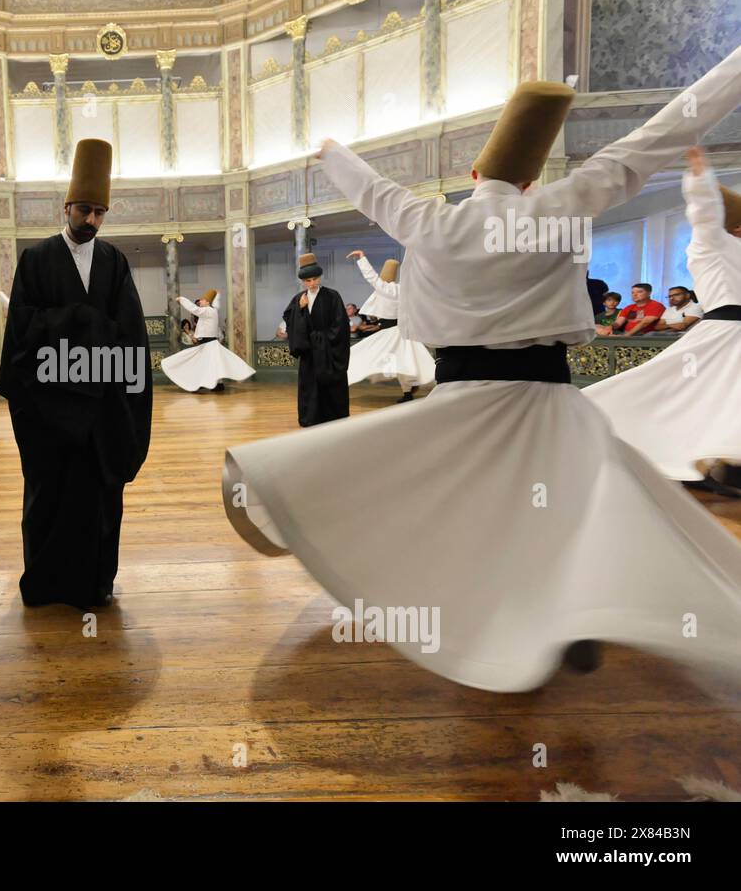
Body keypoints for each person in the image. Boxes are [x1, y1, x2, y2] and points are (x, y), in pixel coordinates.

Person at [222, 46, 741, 693]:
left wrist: (329, 150)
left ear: (473, 172)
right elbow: (652, 139)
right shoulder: (560, 206)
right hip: (550, 403)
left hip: (463, 401)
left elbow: (371, 190)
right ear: (529, 183)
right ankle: (569, 610)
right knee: (580, 508)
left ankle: (492, 615)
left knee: (464, 511)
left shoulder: (430, 220)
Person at [0, 138, 152, 609]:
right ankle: (46, 585)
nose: (92, 220)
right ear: (66, 206)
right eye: (84, 209)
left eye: (100, 212)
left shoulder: (114, 261)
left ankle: (95, 584)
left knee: (99, 500)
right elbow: (23, 330)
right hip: (49, 412)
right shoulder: (36, 259)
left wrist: (86, 333)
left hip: (101, 413)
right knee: (50, 496)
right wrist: (83, 323)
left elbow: (130, 333)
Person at [584, 146, 741, 488]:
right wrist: (700, 177)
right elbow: (704, 214)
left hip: (731, 335)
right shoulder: (711, 244)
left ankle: (722, 465)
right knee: (688, 396)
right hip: (722, 333)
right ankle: (697, 459)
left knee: (721, 401)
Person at [344, 251, 435, 403]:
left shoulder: (384, 288)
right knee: (409, 361)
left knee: (361, 354)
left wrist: (361, 258)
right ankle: (409, 391)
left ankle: (341, 379)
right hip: (403, 332)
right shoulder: (403, 289)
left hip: (391, 332)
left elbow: (370, 276)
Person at [281, 252, 350, 426]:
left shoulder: (332, 296)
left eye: (314, 279)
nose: (312, 283)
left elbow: (340, 324)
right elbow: (289, 318)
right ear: (303, 282)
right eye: (308, 281)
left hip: (328, 351)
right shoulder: (298, 299)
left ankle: (334, 418)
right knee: (309, 386)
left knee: (331, 385)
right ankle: (310, 418)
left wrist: (323, 339)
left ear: (320, 277)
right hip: (309, 352)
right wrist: (300, 308)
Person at [163, 289, 255, 392]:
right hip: (208, 343)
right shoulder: (211, 311)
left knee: (204, 363)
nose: (200, 302)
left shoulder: (208, 311)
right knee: (211, 364)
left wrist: (182, 299)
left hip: (208, 344)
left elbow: (194, 309)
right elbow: (209, 311)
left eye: (202, 300)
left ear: (207, 302)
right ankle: (215, 385)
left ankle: (206, 384)